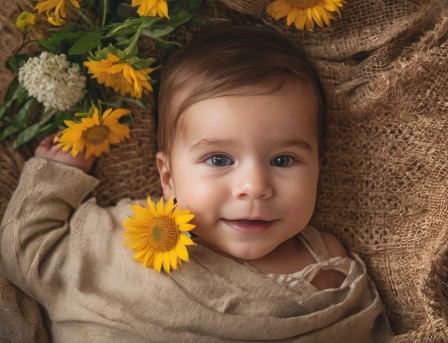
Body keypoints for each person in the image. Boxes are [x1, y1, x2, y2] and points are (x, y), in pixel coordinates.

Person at [1, 26, 393, 341]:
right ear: (168, 178)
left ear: (319, 170)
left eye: (283, 160)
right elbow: (29, 250)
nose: (254, 186)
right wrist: (56, 176)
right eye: (219, 159)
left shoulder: (327, 264)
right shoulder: (120, 237)